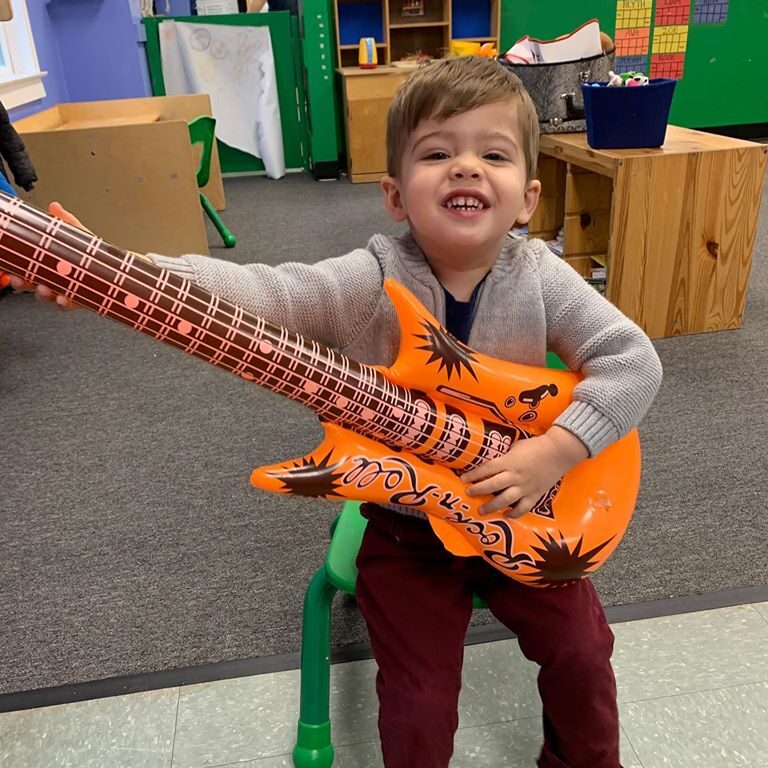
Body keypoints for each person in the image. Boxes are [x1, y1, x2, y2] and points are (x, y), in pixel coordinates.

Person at [4, 56, 662, 768]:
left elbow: (634, 361)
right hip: (409, 536)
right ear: (394, 194)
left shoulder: (543, 278)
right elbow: (263, 292)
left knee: (584, 651)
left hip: (532, 512)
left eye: (492, 154)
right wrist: (117, 269)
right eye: (438, 152)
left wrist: (556, 451)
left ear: (528, 197)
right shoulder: (371, 278)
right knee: (416, 694)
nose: (466, 167)